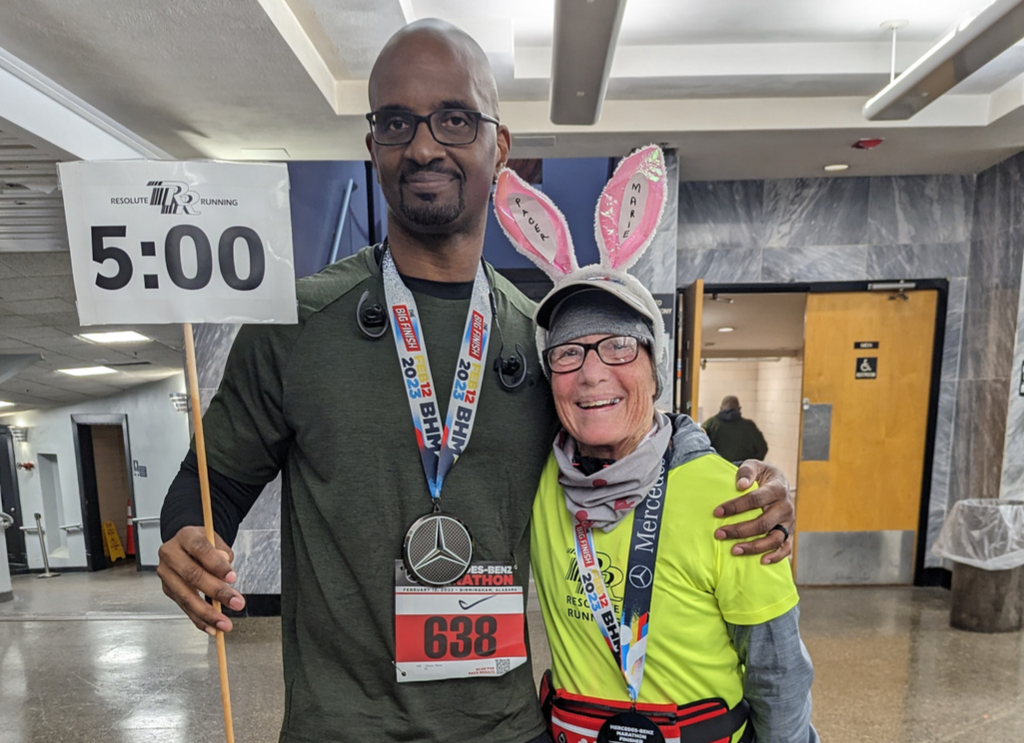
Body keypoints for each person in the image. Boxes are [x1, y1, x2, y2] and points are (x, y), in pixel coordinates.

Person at [157, 20, 795, 743]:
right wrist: (184, 536)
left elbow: (640, 454)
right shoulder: (298, 325)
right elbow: (214, 481)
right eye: (397, 122)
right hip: (341, 727)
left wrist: (752, 489)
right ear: (373, 149)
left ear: (500, 146)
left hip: (504, 727)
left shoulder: (546, 343)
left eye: (454, 118)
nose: (424, 145)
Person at [703, 396, 769, 463]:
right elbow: (762, 449)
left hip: (717, 468)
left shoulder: (710, 424)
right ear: (739, 408)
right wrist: (751, 464)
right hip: (742, 470)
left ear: (720, 408)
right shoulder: (749, 426)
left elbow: (700, 446)